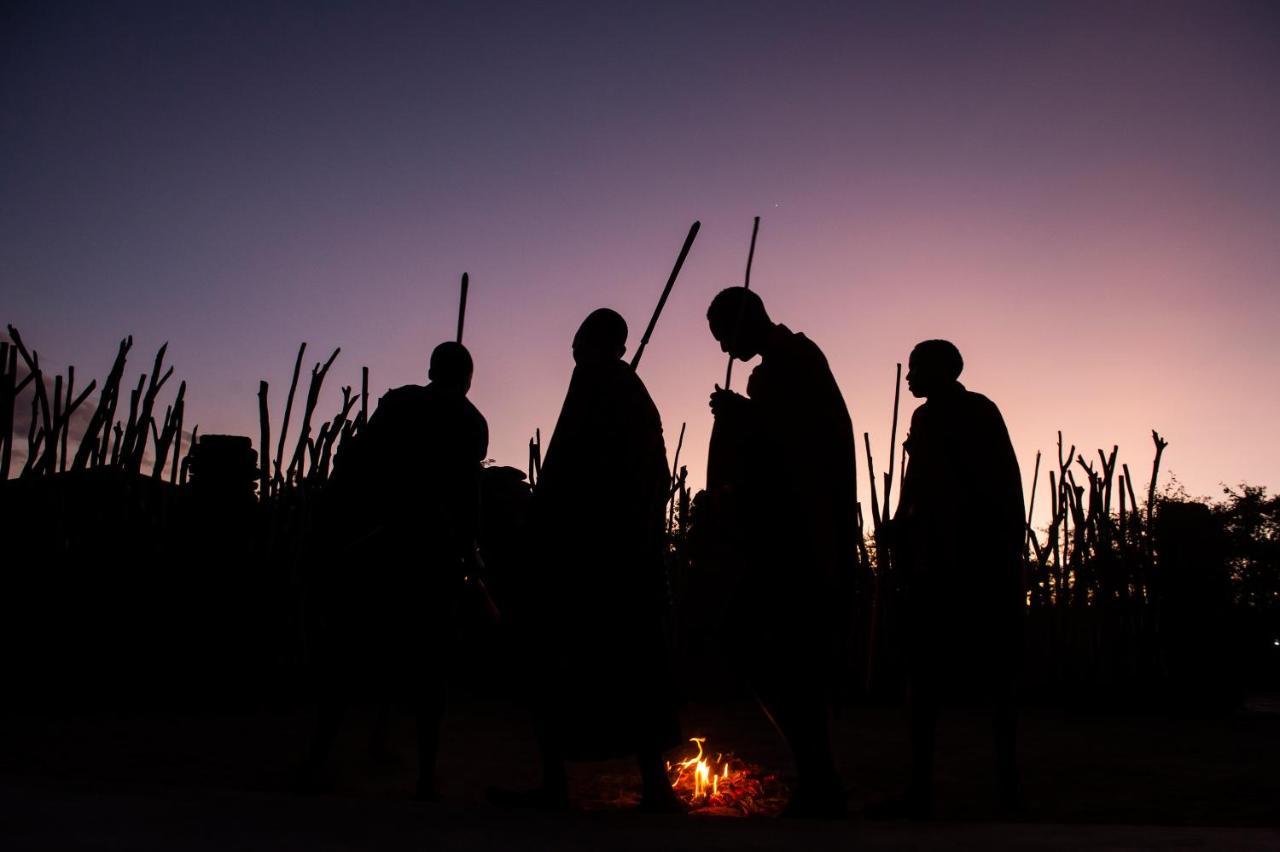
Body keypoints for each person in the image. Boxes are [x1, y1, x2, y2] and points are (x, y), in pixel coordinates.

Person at [495, 308, 683, 812]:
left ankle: (574, 787)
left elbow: (583, 474)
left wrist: (556, 526)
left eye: (581, 337)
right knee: (624, 666)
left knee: (571, 661)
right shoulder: (616, 387)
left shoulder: (609, 386)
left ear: (600, 342)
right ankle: (647, 786)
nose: (573, 346)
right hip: (612, 555)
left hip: (592, 559)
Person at [301, 340, 488, 801]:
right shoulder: (468, 421)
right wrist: (468, 549)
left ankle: (319, 758)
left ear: (430, 370)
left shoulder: (402, 405)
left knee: (352, 653)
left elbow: (355, 466)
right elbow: (467, 496)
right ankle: (423, 775)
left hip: (386, 548)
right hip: (425, 554)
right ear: (466, 380)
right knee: (427, 667)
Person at [705, 287, 858, 818]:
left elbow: (800, 447)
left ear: (746, 320)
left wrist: (742, 419)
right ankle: (819, 778)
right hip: (781, 536)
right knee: (770, 650)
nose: (724, 347)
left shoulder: (794, 361)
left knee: (772, 649)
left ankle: (821, 779)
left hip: (800, 537)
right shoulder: (774, 370)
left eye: (724, 334)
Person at [877, 339, 1025, 819]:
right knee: (922, 683)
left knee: (996, 684)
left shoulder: (976, 413)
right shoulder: (924, 420)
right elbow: (920, 488)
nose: (909, 376)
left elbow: (993, 491)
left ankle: (1009, 792)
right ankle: (920, 790)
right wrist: (900, 527)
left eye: (917, 367)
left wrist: (992, 559)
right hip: (929, 569)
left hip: (972, 570)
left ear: (944, 370)